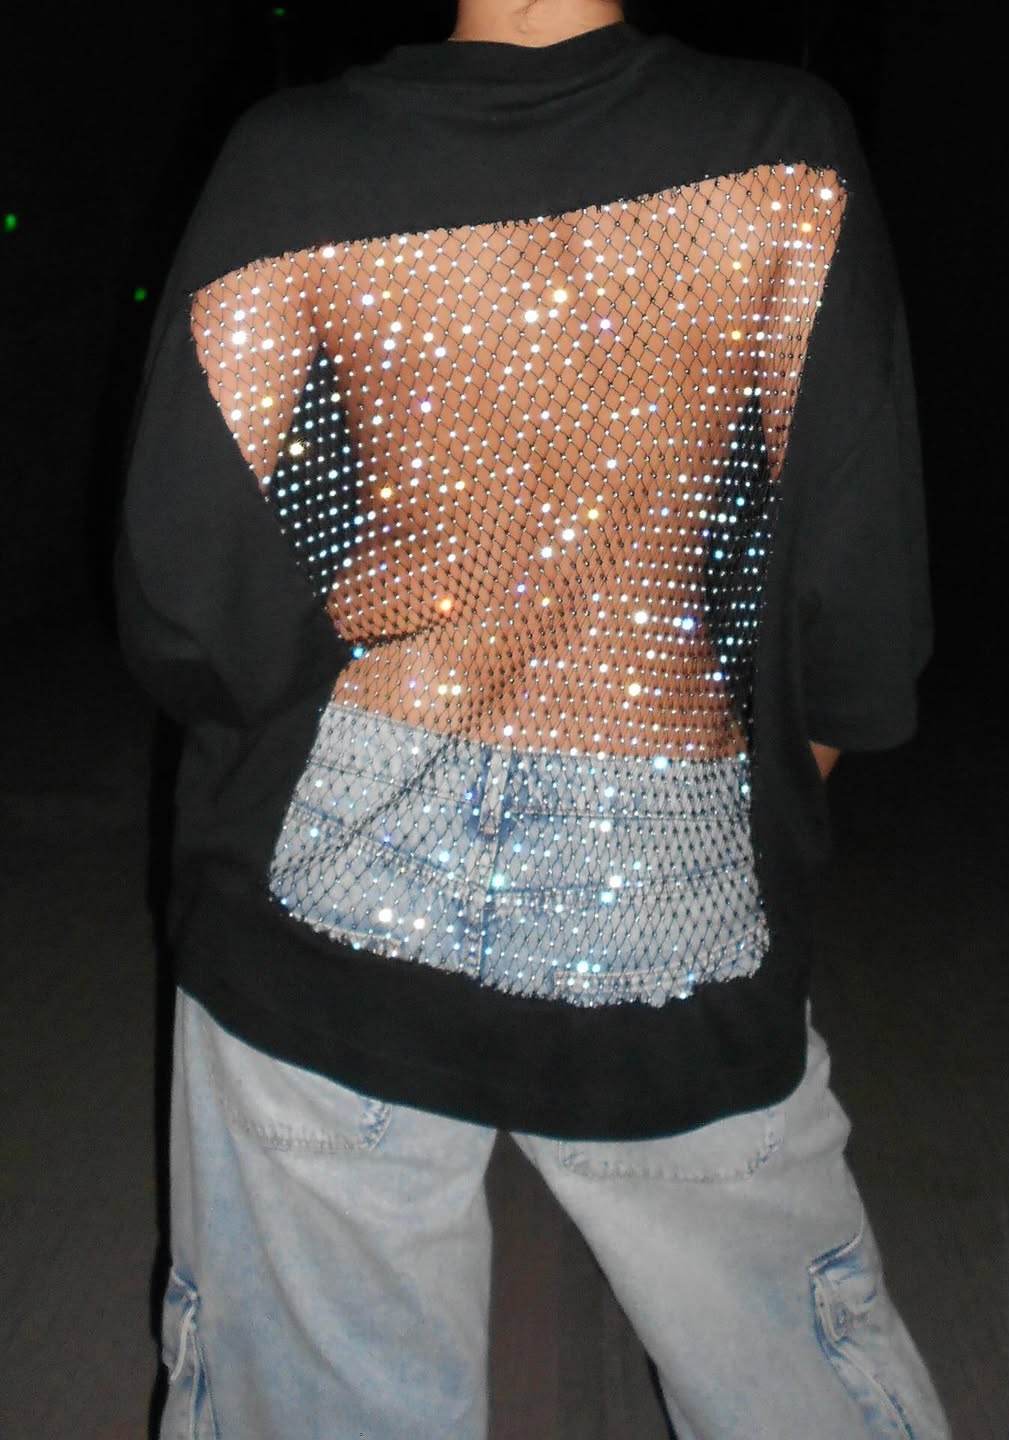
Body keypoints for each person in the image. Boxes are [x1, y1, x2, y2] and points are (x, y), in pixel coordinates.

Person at [117, 1, 951, 1435]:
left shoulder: (292, 159)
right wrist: (756, 786)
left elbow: (188, 596)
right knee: (797, 1374)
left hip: (327, 880)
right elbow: (858, 592)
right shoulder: (781, 147)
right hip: (676, 870)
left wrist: (337, 660)